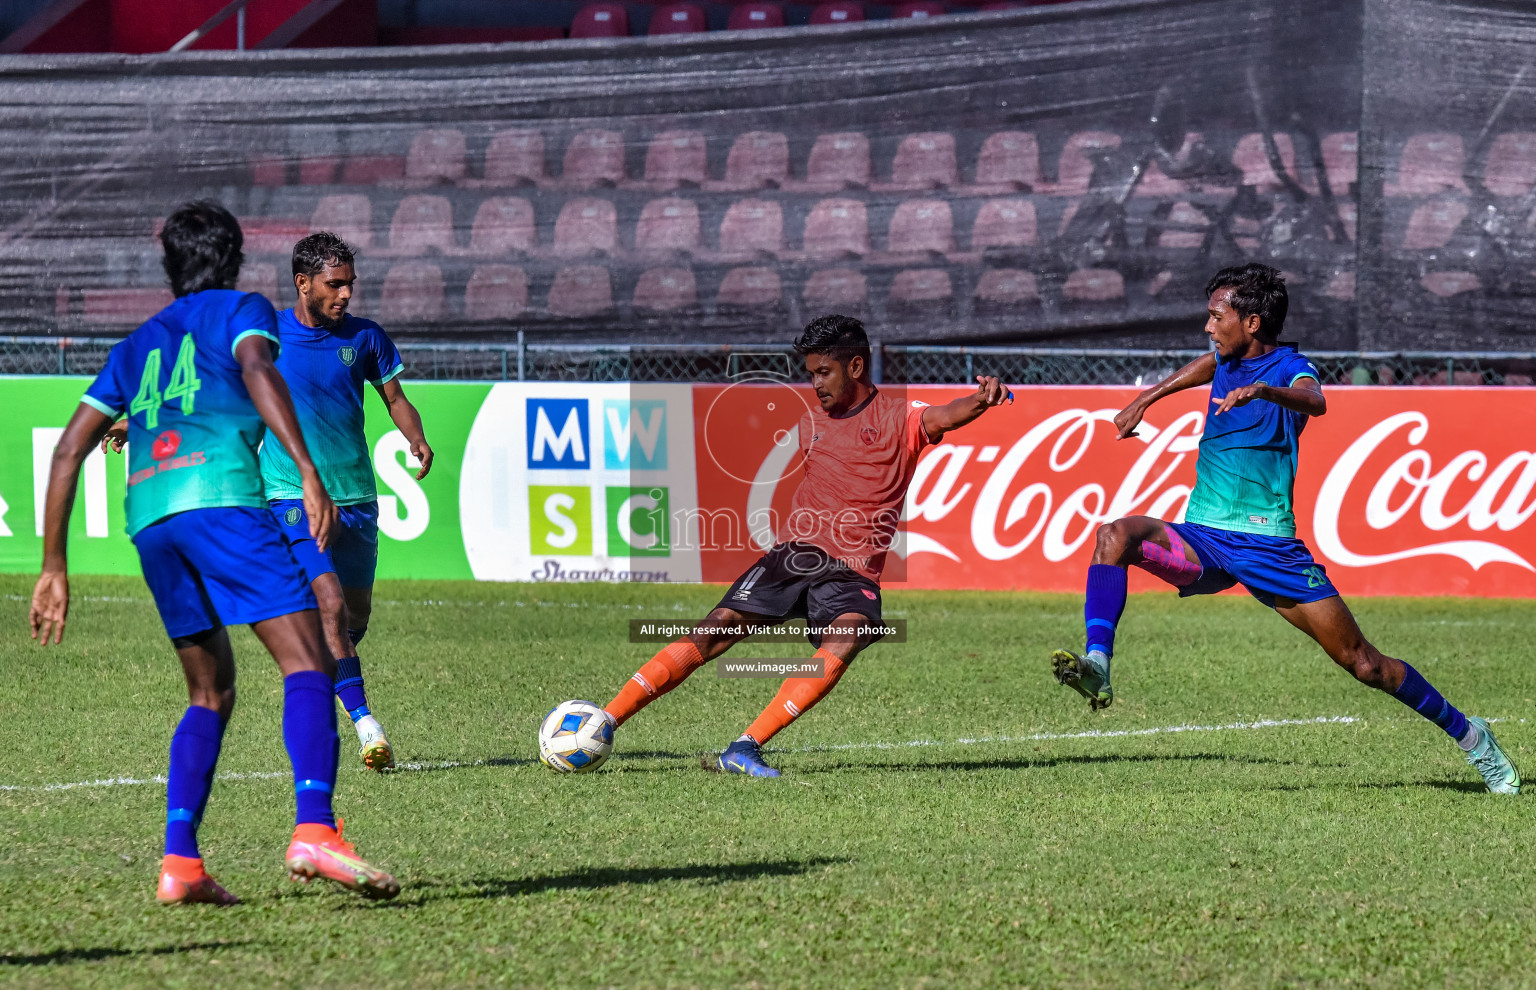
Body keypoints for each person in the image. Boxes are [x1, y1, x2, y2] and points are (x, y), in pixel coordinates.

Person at [32, 201, 401, 906]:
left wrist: (54, 565)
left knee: (210, 691)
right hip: (222, 499)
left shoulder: (135, 344)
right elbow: (259, 368)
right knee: (309, 659)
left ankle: (182, 864)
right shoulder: (243, 310)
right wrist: (308, 467)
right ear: (232, 255)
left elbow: (68, 447)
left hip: (150, 518)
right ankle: (316, 829)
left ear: (168, 261)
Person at [1050, 262, 1520, 794]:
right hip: (1205, 539)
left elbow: (1316, 401)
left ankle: (1472, 738)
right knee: (1114, 535)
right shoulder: (1223, 361)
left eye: (1216, 316)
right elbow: (1205, 366)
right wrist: (1146, 398)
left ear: (1251, 322)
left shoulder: (1292, 368)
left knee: (1365, 666)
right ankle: (1098, 663)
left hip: (1270, 550)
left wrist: (1264, 394)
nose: (1208, 326)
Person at [601, 314, 1011, 776]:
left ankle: (745, 747)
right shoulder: (811, 422)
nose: (814, 383)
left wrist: (982, 398)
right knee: (718, 626)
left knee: (852, 632)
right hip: (795, 554)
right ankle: (606, 720)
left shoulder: (901, 417)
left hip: (853, 571)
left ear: (855, 367)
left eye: (823, 372)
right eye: (810, 372)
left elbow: (945, 415)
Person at [260, 232, 432, 771]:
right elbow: (211, 395)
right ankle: (367, 725)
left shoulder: (366, 337)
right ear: (303, 282)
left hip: (357, 496)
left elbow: (396, 399)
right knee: (330, 605)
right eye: (334, 285)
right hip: (291, 494)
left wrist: (415, 437)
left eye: (350, 286)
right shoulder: (267, 338)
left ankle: (325, 664)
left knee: (356, 613)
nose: (344, 296)